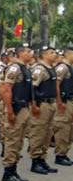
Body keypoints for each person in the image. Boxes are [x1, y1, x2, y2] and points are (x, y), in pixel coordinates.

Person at [0, 42, 34, 181]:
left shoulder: (26, 68)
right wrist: (10, 111)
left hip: (24, 107)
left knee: (19, 141)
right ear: (20, 53)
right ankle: (8, 171)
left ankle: (14, 169)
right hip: (16, 108)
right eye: (28, 51)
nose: (30, 53)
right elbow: (7, 88)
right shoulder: (15, 68)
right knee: (13, 140)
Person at [28, 46, 60, 174]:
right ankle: (35, 160)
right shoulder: (39, 69)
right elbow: (32, 88)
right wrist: (34, 105)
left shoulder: (51, 69)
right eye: (52, 53)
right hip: (42, 105)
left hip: (51, 104)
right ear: (44, 55)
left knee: (47, 133)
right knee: (39, 132)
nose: (55, 54)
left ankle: (42, 158)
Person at [52, 46, 73, 166]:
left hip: (69, 101)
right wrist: (59, 101)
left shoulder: (69, 67)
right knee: (63, 127)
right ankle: (60, 154)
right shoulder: (63, 67)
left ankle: (64, 152)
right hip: (64, 102)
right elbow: (57, 84)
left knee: (69, 129)